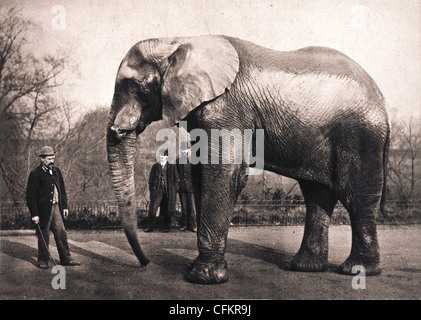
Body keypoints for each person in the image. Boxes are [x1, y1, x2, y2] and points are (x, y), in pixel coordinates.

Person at [26, 146, 80, 269]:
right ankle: (43, 260)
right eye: (49, 158)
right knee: (43, 235)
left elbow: (62, 190)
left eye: (53, 158)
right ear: (42, 159)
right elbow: (30, 196)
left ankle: (66, 259)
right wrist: (34, 214)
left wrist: (64, 206)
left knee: (61, 233)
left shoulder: (57, 171)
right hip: (43, 210)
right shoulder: (35, 173)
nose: (52, 160)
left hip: (57, 208)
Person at [145, 149, 179, 233]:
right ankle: (150, 227)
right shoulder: (155, 166)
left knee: (168, 209)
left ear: (167, 157)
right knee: (153, 208)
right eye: (161, 156)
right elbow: (151, 180)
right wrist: (153, 190)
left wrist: (174, 190)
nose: (162, 158)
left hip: (169, 192)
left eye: (164, 156)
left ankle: (166, 227)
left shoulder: (172, 166)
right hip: (157, 191)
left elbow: (177, 180)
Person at [176, 147, 197, 232]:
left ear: (189, 151)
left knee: (192, 208)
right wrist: (178, 185)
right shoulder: (177, 161)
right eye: (183, 150)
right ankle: (184, 225)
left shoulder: (193, 161)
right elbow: (176, 174)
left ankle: (192, 226)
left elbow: (195, 175)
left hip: (191, 188)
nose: (184, 151)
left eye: (186, 150)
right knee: (184, 208)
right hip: (182, 188)